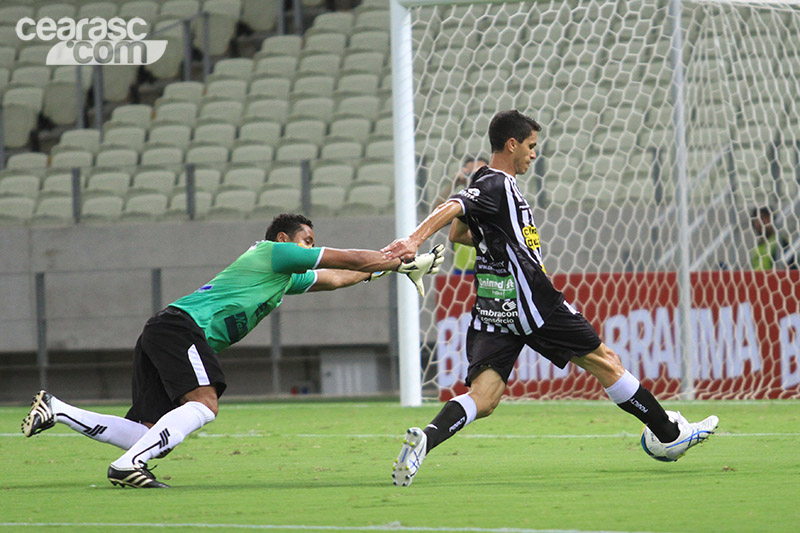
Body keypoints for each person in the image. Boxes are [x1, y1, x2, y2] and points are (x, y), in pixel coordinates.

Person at [383, 110, 719, 487]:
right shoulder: (496, 183)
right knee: (605, 361)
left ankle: (426, 439)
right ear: (512, 144)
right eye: (530, 146)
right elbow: (454, 208)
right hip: (532, 300)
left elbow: (458, 234)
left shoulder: (487, 183)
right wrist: (413, 240)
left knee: (484, 397)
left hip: (494, 306)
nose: (534, 154)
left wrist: (498, 239)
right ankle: (670, 436)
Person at [21, 213, 443, 489]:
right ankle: (127, 468)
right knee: (205, 404)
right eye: (307, 240)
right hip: (181, 328)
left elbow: (337, 277)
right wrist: (397, 256)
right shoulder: (273, 253)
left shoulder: (283, 277)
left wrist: (389, 270)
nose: (311, 247)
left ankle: (58, 410)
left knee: (148, 431)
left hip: (164, 330)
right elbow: (347, 258)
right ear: (285, 239)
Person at [437, 156, 489, 275]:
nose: (474, 177)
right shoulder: (459, 205)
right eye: (470, 173)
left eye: (479, 173)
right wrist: (453, 183)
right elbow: (436, 214)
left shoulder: (494, 201)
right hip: (462, 271)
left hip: (492, 268)